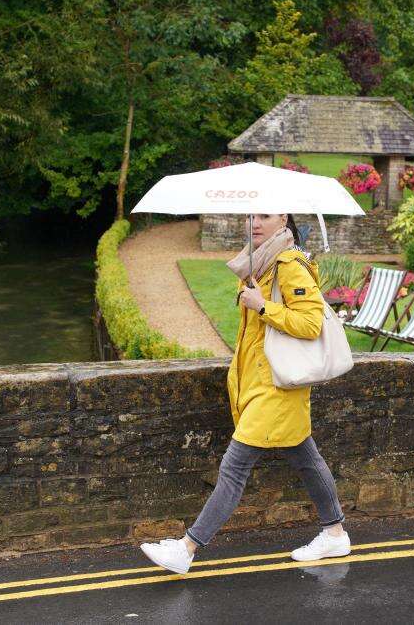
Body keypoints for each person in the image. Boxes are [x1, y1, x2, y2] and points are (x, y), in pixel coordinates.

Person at [140, 213, 350, 574]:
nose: (254, 222)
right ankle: (334, 532)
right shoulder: (259, 263)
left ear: (281, 217)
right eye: (251, 215)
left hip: (278, 387)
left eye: (264, 216)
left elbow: (311, 323)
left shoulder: (288, 265)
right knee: (305, 457)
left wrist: (263, 305)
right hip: (262, 383)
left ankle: (187, 548)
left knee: (234, 466)